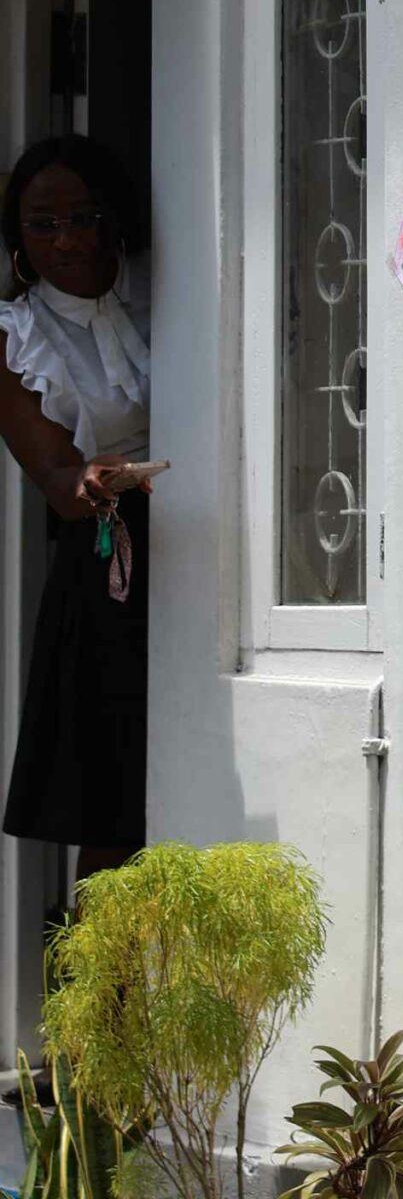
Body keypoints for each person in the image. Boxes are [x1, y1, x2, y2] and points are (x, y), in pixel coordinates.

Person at [0, 136, 152, 882]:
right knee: (115, 815)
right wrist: (85, 481)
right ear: (19, 238)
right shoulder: (17, 337)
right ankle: (99, 966)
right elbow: (54, 474)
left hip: (218, 548)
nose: (66, 241)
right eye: (43, 225)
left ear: (114, 217)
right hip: (110, 566)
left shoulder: (168, 287)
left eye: (83, 218)